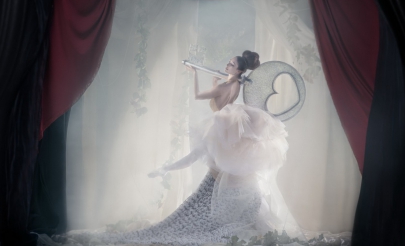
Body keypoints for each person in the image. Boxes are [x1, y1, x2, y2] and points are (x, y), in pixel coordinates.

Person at [69, 51, 301, 245]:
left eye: (231, 64)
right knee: (209, 168)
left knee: (206, 163)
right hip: (223, 137)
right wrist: (218, 81)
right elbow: (221, 99)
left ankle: (174, 175)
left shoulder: (226, 98)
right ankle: (175, 175)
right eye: (229, 62)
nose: (227, 64)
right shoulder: (232, 86)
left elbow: (200, 96)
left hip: (223, 130)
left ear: (239, 70)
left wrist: (195, 75)